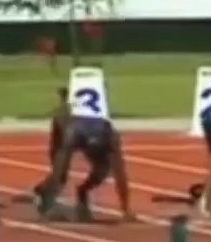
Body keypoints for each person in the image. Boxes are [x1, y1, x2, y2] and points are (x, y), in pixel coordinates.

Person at [33, 88, 135, 222]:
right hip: (64, 127)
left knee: (103, 170)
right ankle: (45, 197)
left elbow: (120, 174)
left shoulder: (111, 138)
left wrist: (125, 209)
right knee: (61, 174)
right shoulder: (72, 134)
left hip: (89, 128)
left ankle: (82, 193)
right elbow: (58, 168)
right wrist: (51, 207)